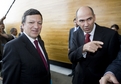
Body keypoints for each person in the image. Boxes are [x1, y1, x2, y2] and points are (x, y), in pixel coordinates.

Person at [68, 6, 120, 84]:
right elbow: (72, 57)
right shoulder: (75, 34)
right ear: (77, 22)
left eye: (89, 19)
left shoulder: (110, 35)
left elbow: (115, 61)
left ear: (94, 17)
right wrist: (83, 48)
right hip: (78, 79)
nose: (86, 24)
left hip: (99, 80)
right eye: (81, 21)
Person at [2, 8, 51, 84]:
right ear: (23, 25)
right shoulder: (12, 47)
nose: (36, 26)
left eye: (39, 23)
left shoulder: (40, 42)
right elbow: (10, 81)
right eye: (31, 22)